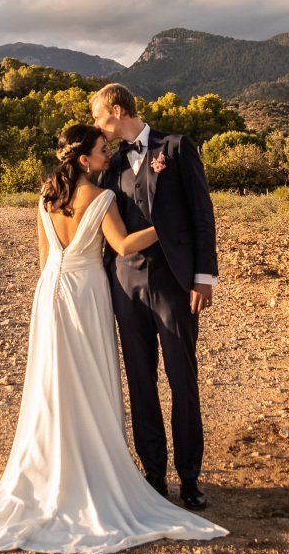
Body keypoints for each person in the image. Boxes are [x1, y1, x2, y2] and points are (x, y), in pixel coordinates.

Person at [0, 123, 228, 554]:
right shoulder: (101, 196)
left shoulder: (45, 195)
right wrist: (170, 227)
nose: (107, 154)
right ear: (83, 160)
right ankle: (95, 470)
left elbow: (44, 259)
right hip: (86, 293)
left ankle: (55, 468)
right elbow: (126, 245)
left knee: (53, 384)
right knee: (91, 380)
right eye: (100, 150)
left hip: (51, 293)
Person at [90, 82, 218, 508]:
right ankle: (154, 476)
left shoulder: (177, 148)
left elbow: (202, 214)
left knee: (183, 379)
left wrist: (203, 277)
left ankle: (190, 476)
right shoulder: (110, 164)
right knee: (140, 382)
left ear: (117, 108)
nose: (96, 125)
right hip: (125, 284)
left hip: (173, 282)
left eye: (98, 116)